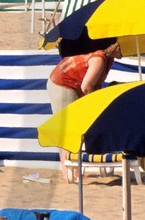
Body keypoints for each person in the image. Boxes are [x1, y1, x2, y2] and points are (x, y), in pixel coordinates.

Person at [48, 42, 121, 181]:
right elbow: (86, 87)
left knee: (77, 128)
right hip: (62, 83)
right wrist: (93, 106)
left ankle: (74, 170)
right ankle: (69, 173)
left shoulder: (108, 59)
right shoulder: (98, 59)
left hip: (73, 83)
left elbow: (95, 84)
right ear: (115, 47)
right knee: (68, 130)